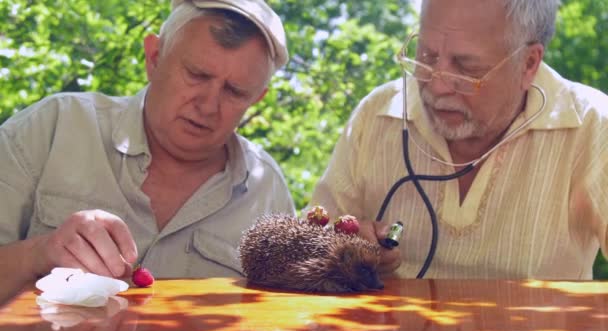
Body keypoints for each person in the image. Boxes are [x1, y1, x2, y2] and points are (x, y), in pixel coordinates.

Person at [0, 0, 295, 292]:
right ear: (154, 57)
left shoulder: (266, 191)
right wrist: (37, 254)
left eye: (235, 91)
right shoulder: (52, 127)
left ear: (256, 98)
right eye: (197, 75)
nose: (208, 105)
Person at [310, 0, 608, 279]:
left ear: (529, 64)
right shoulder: (377, 115)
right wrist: (340, 246)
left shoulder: (593, 126)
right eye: (426, 55)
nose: (437, 86)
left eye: (467, 68)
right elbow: (306, 248)